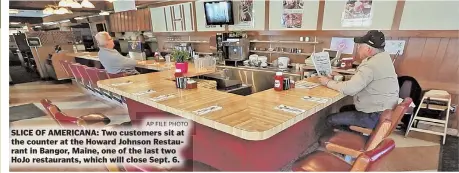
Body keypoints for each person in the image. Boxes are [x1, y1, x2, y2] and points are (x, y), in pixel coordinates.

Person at [318, 30, 399, 130]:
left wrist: (327, 82)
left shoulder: (371, 65)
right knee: (344, 109)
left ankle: (351, 142)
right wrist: (339, 76)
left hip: (375, 115)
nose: (358, 49)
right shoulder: (383, 58)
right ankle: (353, 135)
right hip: (384, 110)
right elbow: (363, 80)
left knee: (330, 119)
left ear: (369, 50)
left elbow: (350, 89)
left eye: (360, 47)